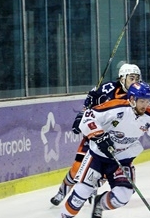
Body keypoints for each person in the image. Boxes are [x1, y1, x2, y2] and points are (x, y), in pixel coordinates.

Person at [50, 81, 150, 218]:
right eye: (142, 101)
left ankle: (100, 203)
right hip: (98, 157)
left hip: (122, 160)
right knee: (81, 193)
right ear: (131, 99)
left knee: (123, 196)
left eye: (147, 100)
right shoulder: (116, 107)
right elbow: (88, 118)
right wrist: (99, 135)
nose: (145, 105)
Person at [50, 63, 142, 206]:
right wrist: (84, 110)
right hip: (96, 135)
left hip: (115, 141)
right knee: (77, 168)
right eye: (131, 78)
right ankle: (62, 191)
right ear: (122, 78)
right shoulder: (107, 88)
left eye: (137, 78)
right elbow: (90, 105)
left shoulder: (139, 96)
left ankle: (90, 188)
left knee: (103, 172)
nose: (135, 81)